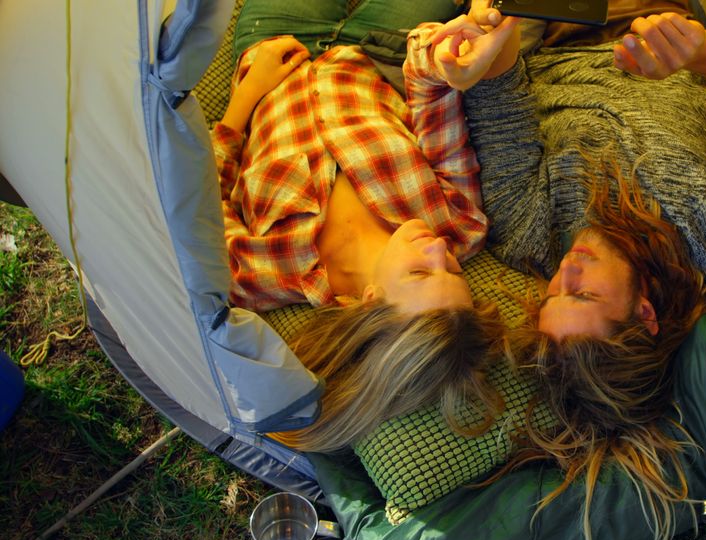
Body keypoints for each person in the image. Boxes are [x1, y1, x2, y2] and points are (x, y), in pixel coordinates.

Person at [412, 1, 706, 540]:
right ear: (645, 314)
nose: (565, 267)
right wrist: (699, 51)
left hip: (552, 27)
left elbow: (501, 93)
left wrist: (487, 45)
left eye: (553, 292)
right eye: (583, 291)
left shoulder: (529, 238)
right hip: (659, 16)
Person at [213, 0, 506, 449]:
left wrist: (244, 100)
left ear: (366, 301)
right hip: (380, 50)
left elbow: (196, 192)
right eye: (454, 270)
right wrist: (445, 54)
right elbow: (432, 94)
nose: (437, 250)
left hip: (272, 50)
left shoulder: (256, 276)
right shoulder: (461, 224)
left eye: (421, 272)